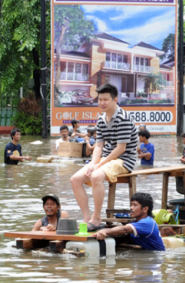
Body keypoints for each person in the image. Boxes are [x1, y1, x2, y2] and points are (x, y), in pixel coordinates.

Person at [70, 83, 138, 231]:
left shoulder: (123, 117)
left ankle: (96, 218)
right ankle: (87, 218)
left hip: (124, 160)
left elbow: (121, 148)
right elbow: (99, 146)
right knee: (75, 179)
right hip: (106, 159)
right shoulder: (101, 119)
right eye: (100, 99)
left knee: (95, 176)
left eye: (105, 99)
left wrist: (98, 166)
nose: (102, 103)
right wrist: (93, 163)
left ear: (115, 100)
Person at [92, 192, 165, 251]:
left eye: (135, 205)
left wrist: (105, 231)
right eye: (131, 205)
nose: (131, 208)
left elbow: (125, 229)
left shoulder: (147, 222)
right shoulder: (137, 222)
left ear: (145, 209)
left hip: (156, 257)